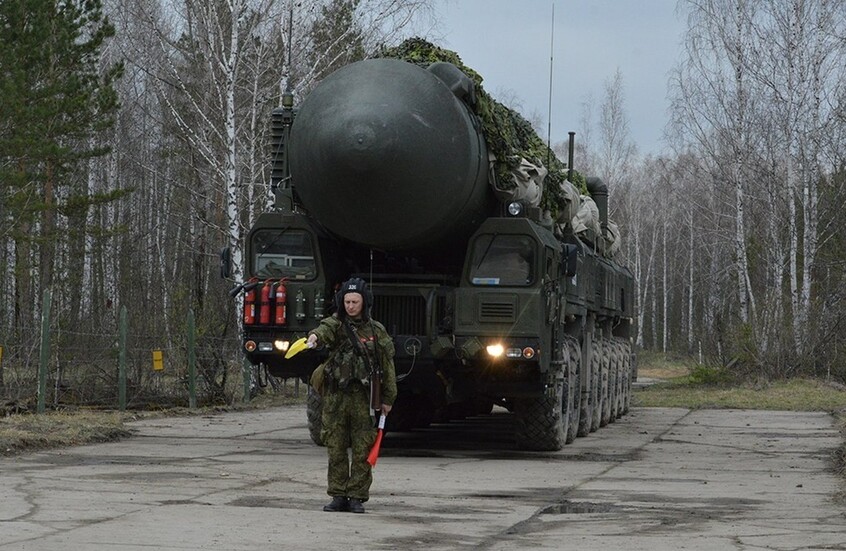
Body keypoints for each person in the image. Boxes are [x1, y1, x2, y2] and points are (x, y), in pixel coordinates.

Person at [306, 277, 397, 514]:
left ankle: (357, 495)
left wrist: (388, 399)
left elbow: (387, 367)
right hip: (336, 397)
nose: (350, 306)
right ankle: (337, 494)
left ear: (364, 302)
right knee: (335, 446)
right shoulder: (336, 325)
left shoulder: (376, 331)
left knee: (362, 448)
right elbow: (323, 329)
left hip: (362, 398)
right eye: (346, 301)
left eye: (355, 301)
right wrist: (314, 337)